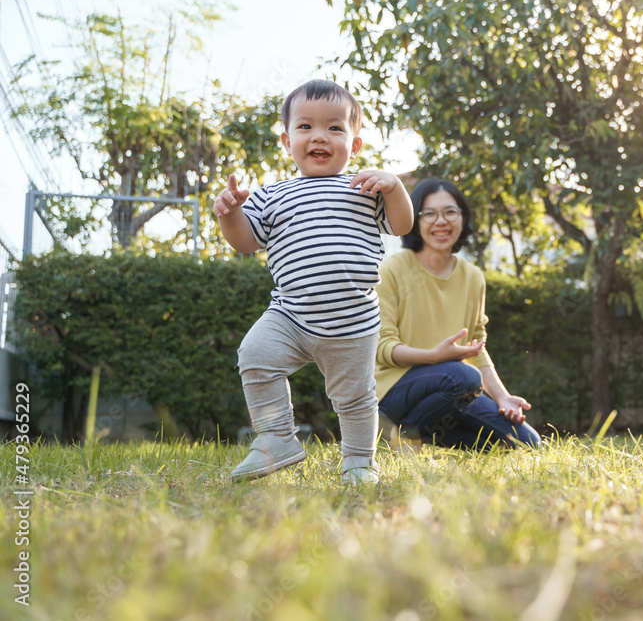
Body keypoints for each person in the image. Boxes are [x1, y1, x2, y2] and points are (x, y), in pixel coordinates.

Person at [213, 79, 413, 484]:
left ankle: (359, 462)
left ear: (354, 145)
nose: (319, 136)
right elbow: (245, 242)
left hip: (352, 322)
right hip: (290, 314)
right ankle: (276, 437)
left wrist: (394, 186)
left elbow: (403, 223)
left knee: (355, 399)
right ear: (288, 141)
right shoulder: (272, 196)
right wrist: (229, 214)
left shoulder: (365, 189)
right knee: (255, 355)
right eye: (305, 127)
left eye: (335, 128)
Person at [375, 179, 541, 451]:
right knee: (464, 376)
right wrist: (433, 357)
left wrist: (502, 397)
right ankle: (405, 436)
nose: (441, 221)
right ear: (415, 220)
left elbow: (476, 346)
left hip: (450, 391)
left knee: (526, 442)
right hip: (393, 390)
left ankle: (418, 431)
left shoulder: (473, 277)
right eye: (429, 213)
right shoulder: (392, 270)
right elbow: (382, 348)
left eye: (450, 212)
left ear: (463, 218)